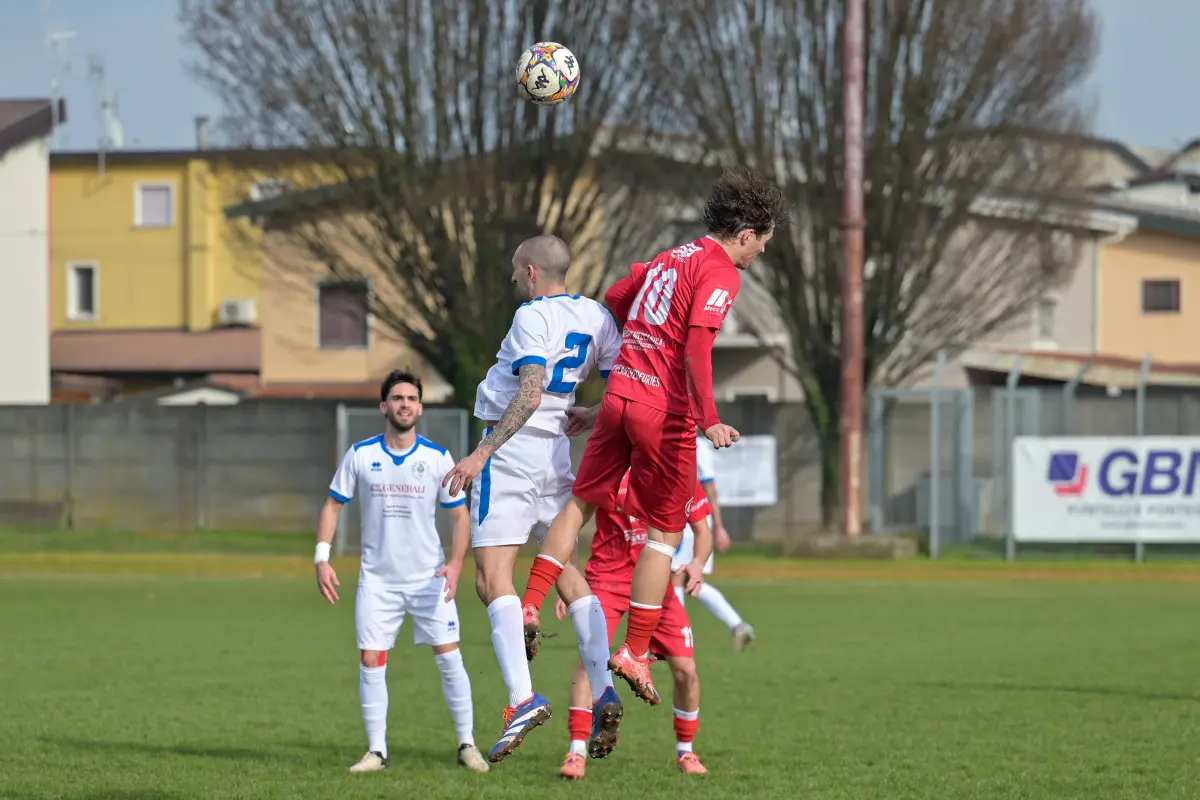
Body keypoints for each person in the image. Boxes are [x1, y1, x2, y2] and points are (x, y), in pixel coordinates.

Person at [517, 165, 787, 706]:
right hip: (663, 414)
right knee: (665, 533)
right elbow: (695, 348)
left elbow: (617, 297)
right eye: (763, 242)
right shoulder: (721, 272)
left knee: (580, 505)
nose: (761, 253)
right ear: (746, 233)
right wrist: (707, 416)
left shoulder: (670, 257)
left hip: (619, 398)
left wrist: (624, 367)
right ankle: (636, 652)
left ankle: (530, 601)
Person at [440, 234, 626, 764]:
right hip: (557, 454)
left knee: (490, 577)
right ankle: (603, 687)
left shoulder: (531, 317)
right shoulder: (597, 317)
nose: (511, 280)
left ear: (529, 272)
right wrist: (591, 415)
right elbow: (620, 386)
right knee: (567, 570)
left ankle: (522, 700)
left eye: (513, 272)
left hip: (514, 450)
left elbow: (530, 387)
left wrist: (482, 453)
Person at [314, 370, 489, 774]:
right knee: (371, 659)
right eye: (397, 398)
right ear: (384, 406)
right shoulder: (360, 454)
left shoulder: (436, 457)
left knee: (450, 657)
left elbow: (460, 517)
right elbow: (332, 505)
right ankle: (376, 752)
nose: (405, 404)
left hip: (429, 578)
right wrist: (322, 558)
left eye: (411, 398)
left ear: (420, 408)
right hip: (377, 580)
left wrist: (456, 564)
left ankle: (467, 744)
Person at [555, 471, 715, 779]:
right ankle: (576, 753)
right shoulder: (608, 466)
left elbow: (703, 531)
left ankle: (686, 751)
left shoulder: (677, 471)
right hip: (607, 578)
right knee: (590, 662)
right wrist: (569, 580)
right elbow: (570, 526)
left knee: (686, 670)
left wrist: (697, 564)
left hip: (656, 584)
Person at [671, 433, 755, 651]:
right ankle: (737, 625)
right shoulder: (680, 442)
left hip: (690, 520)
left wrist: (718, 526)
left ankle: (677, 636)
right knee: (691, 582)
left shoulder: (696, 447)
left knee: (676, 578)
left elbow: (710, 488)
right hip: (692, 519)